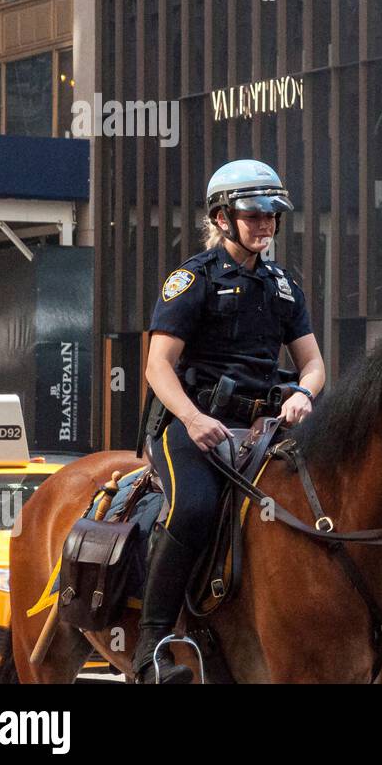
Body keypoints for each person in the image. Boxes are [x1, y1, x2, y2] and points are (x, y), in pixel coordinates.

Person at [135, 159, 326, 684]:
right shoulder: (191, 279)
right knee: (195, 509)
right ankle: (152, 649)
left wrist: (304, 394)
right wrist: (193, 419)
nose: (266, 224)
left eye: (273, 214)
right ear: (222, 217)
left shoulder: (285, 286)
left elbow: (313, 363)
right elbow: (157, 366)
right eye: (254, 213)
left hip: (264, 429)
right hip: (192, 426)